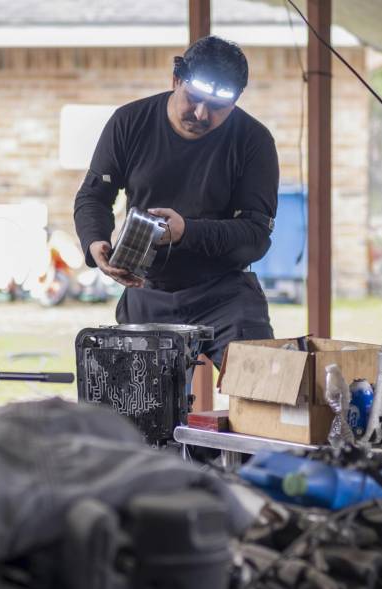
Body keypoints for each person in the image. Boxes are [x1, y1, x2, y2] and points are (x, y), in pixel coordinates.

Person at [74, 35, 279, 366]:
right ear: (176, 79)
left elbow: (256, 236)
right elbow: (93, 196)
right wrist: (95, 240)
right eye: (193, 99)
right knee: (139, 406)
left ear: (236, 100)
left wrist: (187, 232)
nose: (200, 114)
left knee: (261, 387)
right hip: (147, 287)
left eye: (216, 108)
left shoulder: (254, 141)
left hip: (225, 293)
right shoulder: (129, 122)